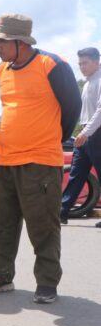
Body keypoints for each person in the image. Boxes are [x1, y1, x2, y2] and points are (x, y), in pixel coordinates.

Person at [0, 14, 81, 304]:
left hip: (40, 161)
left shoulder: (52, 65)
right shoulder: (2, 69)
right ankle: (0, 276)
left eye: (2, 42)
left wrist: (50, 140)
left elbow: (72, 108)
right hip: (6, 161)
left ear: (20, 43)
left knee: (43, 225)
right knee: (2, 222)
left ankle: (47, 283)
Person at [60, 47, 101, 226]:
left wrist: (85, 132)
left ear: (96, 61)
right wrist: (81, 132)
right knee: (76, 174)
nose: (82, 67)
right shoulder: (87, 83)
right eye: (80, 64)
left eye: (85, 63)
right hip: (86, 134)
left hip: (96, 134)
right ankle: (61, 212)